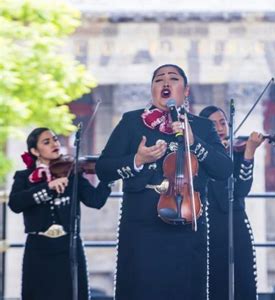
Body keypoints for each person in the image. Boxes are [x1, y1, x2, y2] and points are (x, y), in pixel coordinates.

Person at [95, 64, 233, 299]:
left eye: (173, 79)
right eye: (159, 80)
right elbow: (104, 169)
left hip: (187, 225)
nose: (166, 83)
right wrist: (137, 159)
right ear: (152, 89)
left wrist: (194, 142)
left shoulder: (201, 126)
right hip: (141, 226)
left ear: (186, 90)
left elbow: (223, 169)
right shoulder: (132, 122)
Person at [8, 127, 112, 300]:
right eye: (46, 142)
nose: (55, 144)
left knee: (72, 294)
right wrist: (47, 188)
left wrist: (107, 179)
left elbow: (96, 201)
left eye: (55, 139)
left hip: (68, 246)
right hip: (38, 248)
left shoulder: (73, 175)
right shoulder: (24, 177)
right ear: (35, 151)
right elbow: (15, 204)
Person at [199, 106, 264, 300]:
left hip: (236, 225)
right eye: (213, 124)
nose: (220, 128)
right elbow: (221, 197)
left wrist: (249, 154)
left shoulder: (236, 152)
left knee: (244, 279)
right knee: (215, 281)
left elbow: (241, 191)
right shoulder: (201, 155)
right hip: (211, 227)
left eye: (223, 123)